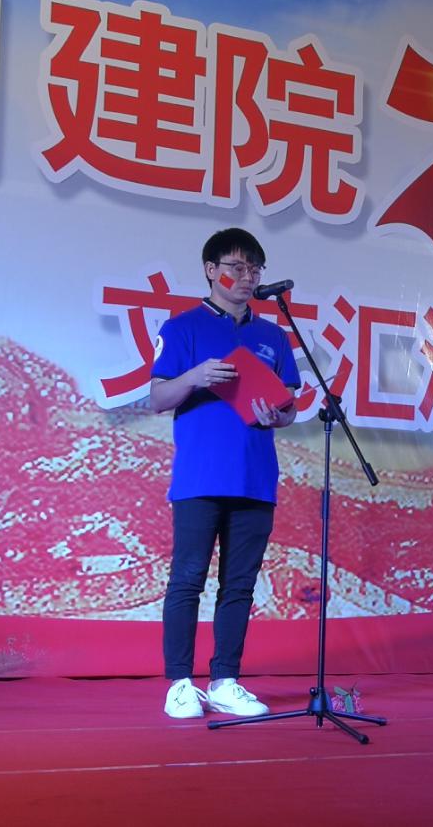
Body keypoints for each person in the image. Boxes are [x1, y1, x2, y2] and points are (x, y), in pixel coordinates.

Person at [150, 227, 301, 719]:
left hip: (255, 477)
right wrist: (195, 377)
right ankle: (179, 684)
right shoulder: (183, 328)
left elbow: (289, 407)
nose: (247, 277)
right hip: (199, 477)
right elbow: (158, 398)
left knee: (239, 585)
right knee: (188, 579)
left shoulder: (273, 336)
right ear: (211, 270)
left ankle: (225, 681)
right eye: (237, 267)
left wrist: (279, 415)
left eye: (254, 269)